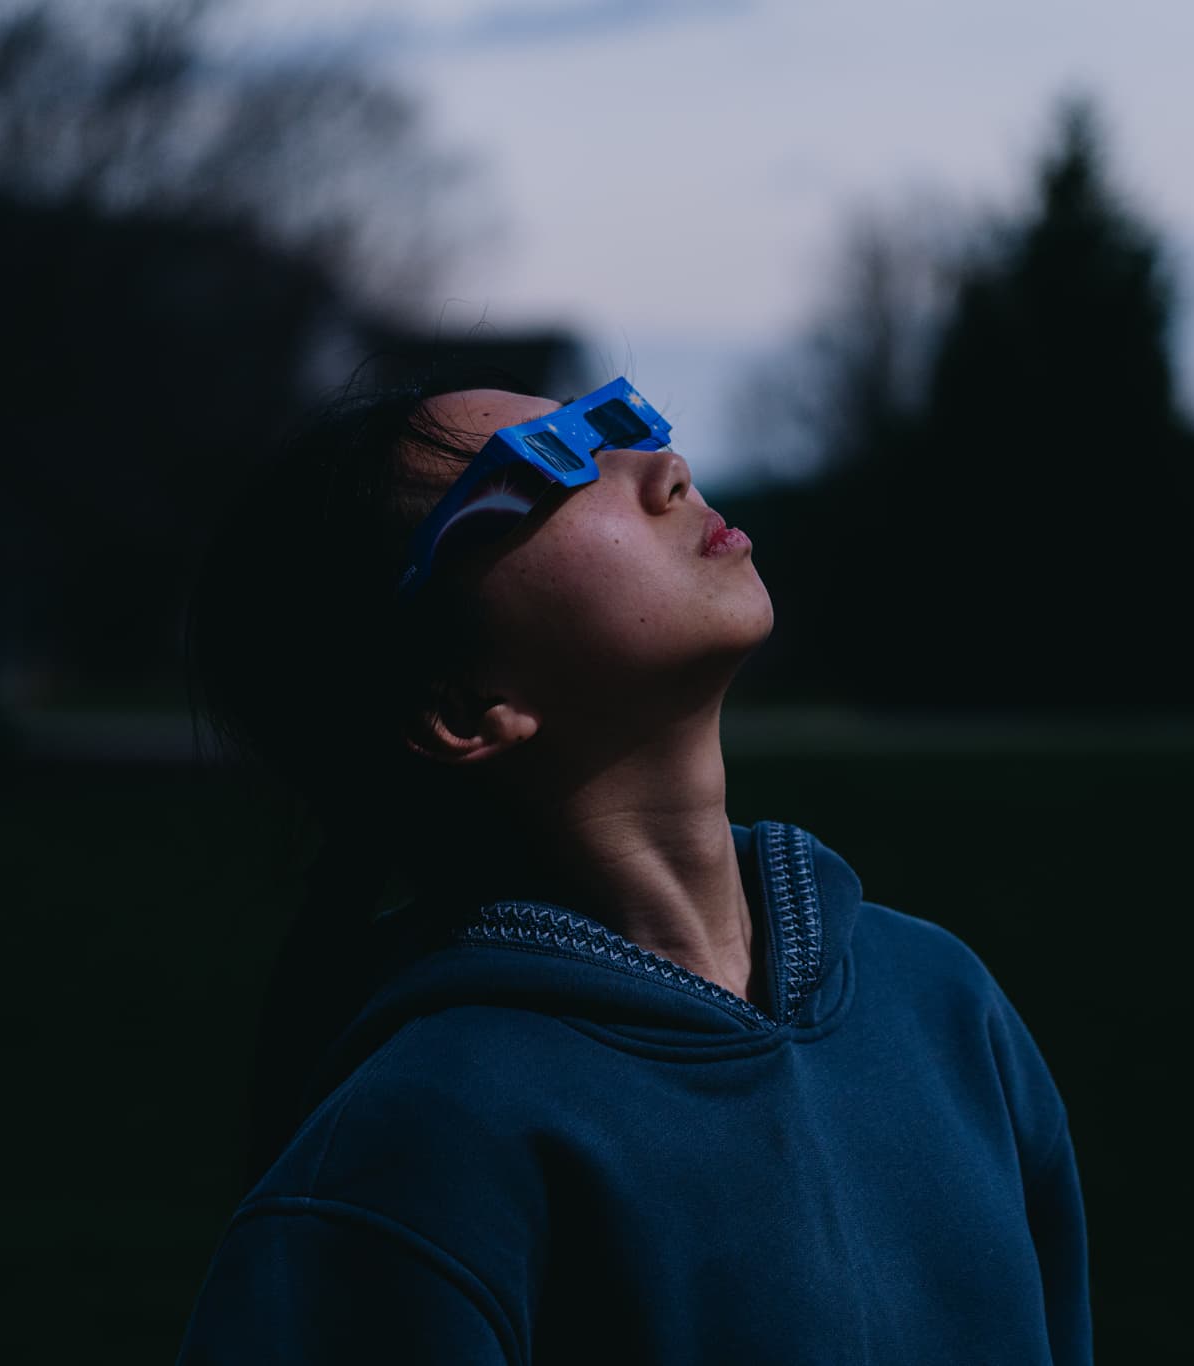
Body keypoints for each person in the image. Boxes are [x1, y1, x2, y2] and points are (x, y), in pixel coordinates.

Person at [175, 363, 1091, 1364]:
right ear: (462, 704)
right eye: (552, 466)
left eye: (621, 423)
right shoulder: (418, 1148)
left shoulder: (942, 1004)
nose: (663, 468)